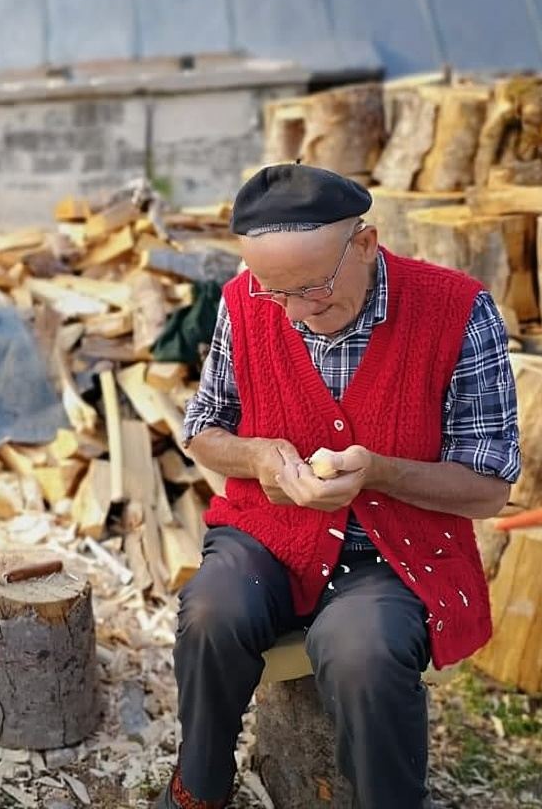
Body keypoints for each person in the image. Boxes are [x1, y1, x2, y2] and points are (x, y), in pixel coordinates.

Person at [160, 164, 520, 809]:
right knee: (212, 612)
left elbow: (490, 487)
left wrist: (379, 472)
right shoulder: (246, 301)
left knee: (362, 653)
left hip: (396, 553)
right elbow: (203, 431)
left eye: (314, 288)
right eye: (277, 292)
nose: (296, 311)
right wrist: (261, 454)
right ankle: (199, 788)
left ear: (365, 242)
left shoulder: (459, 309)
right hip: (268, 534)